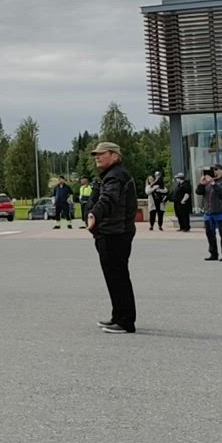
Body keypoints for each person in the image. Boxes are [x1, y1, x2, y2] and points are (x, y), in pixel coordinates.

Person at [86, 141, 138, 334]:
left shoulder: (115, 176)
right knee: (116, 277)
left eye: (102, 153)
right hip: (112, 232)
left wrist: (94, 214)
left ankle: (125, 321)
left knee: (118, 277)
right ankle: (119, 316)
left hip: (115, 233)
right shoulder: (112, 174)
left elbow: (108, 199)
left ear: (115, 155)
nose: (97, 157)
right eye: (95, 154)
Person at [196, 164, 222, 261]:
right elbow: (198, 192)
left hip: (220, 212)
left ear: (221, 171)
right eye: (213, 170)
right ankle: (213, 253)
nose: (214, 172)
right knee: (209, 234)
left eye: (216, 169)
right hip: (208, 212)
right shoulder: (206, 183)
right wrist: (201, 183)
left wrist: (213, 183)